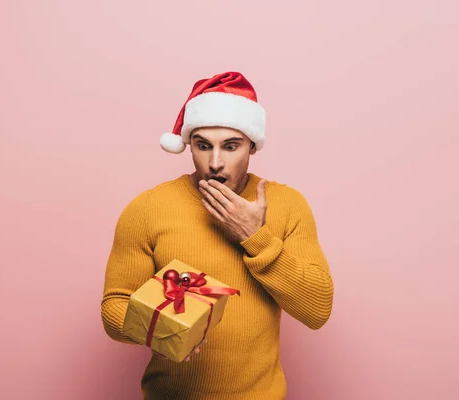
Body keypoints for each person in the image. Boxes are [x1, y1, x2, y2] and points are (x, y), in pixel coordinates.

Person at [101, 71, 334, 399]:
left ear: (252, 146)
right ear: (189, 145)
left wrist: (255, 237)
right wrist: (163, 326)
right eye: (203, 145)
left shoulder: (289, 205)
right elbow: (114, 307)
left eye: (231, 146)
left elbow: (318, 309)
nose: (215, 162)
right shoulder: (147, 209)